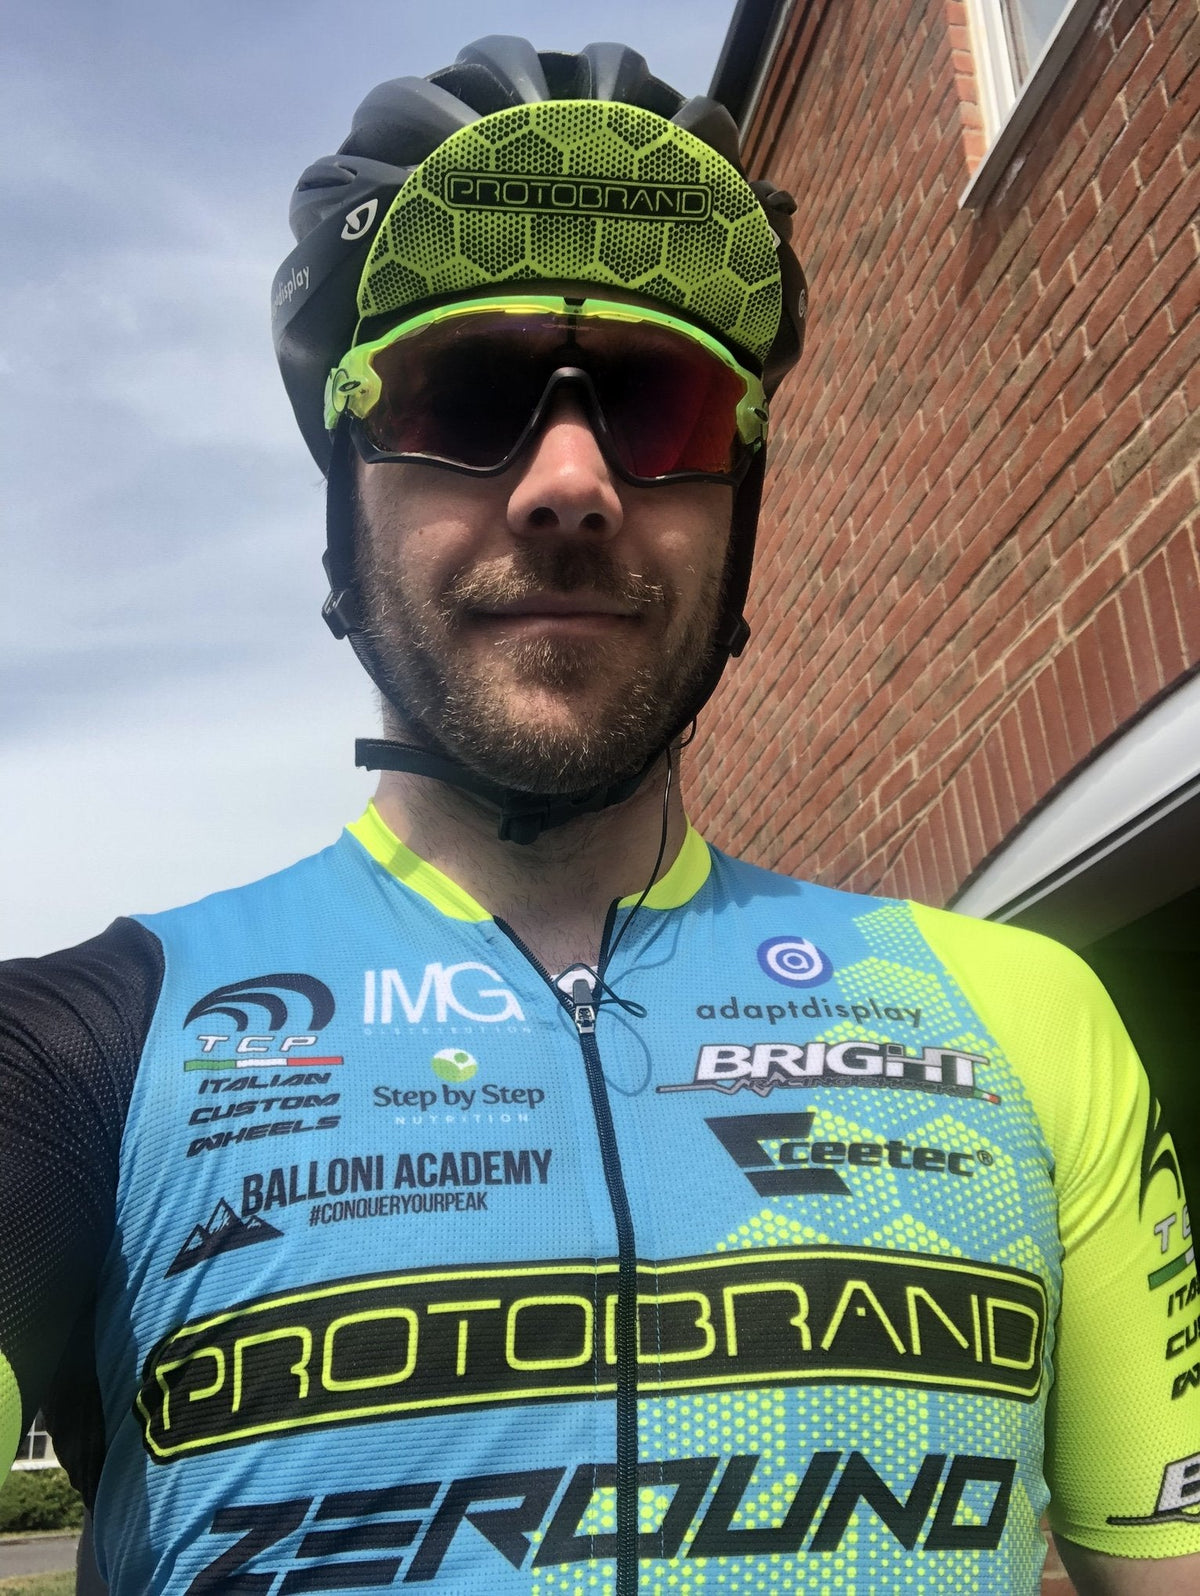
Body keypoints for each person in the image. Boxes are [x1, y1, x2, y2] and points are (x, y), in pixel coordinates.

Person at [1, 35, 1198, 1596]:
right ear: (345, 487)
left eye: (661, 405)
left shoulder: (1029, 1021)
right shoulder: (74, 1062)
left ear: (740, 498)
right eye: (464, 394)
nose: (570, 482)